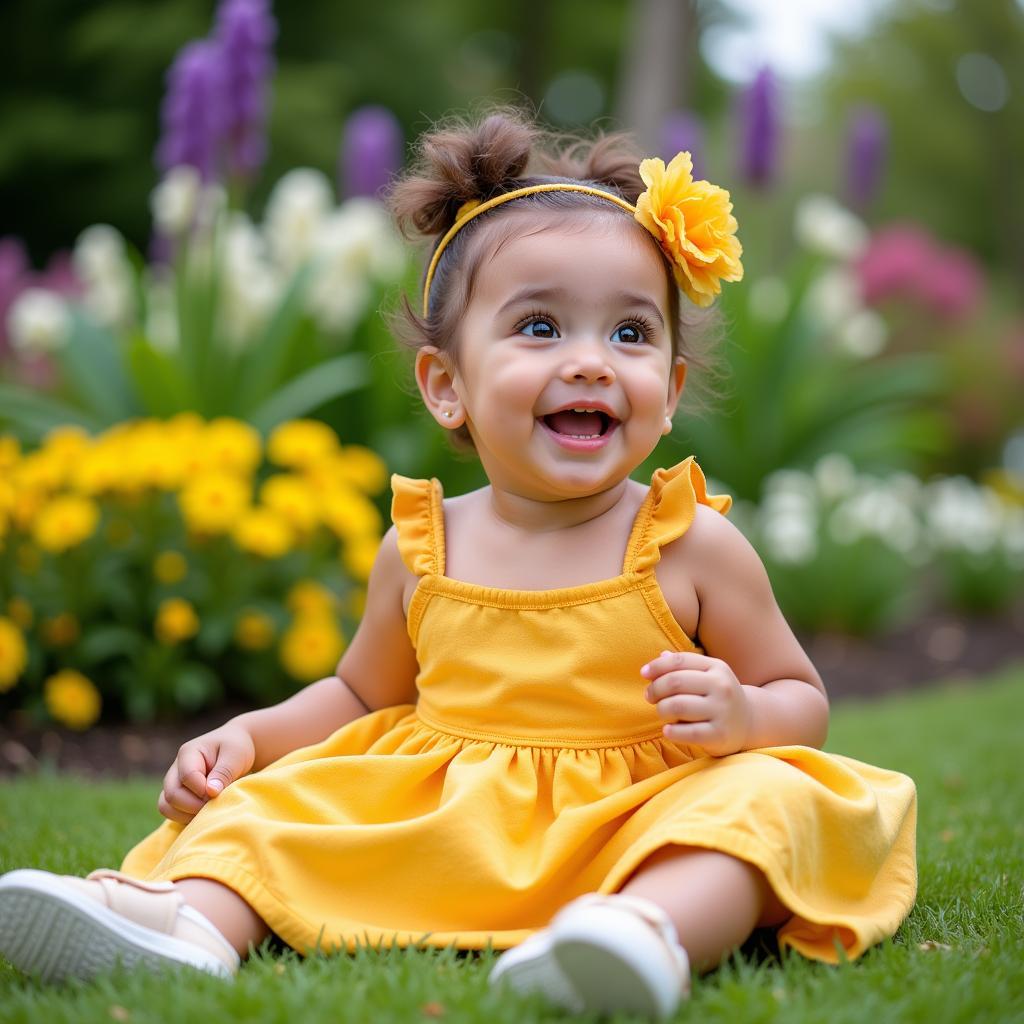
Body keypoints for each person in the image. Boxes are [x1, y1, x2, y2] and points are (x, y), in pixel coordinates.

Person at [0, 108, 916, 1020]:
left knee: (759, 806)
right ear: (448, 386)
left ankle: (640, 935)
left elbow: (802, 699)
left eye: (631, 335)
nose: (593, 363)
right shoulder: (421, 549)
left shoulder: (691, 542)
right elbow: (361, 699)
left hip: (636, 819)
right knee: (276, 803)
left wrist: (745, 712)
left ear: (670, 393)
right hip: (451, 823)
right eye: (541, 327)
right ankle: (192, 926)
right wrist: (252, 736)